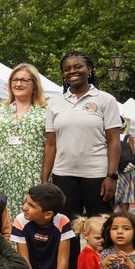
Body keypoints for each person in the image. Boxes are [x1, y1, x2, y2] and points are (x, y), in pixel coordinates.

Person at [42, 51, 121, 220]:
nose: (72, 71)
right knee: (67, 230)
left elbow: (114, 141)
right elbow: (50, 145)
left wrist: (111, 176)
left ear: (89, 69)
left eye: (78, 66)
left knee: (101, 228)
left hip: (97, 176)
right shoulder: (55, 104)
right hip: (63, 175)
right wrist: (45, 180)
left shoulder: (105, 100)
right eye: (67, 69)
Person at [0, 62, 47, 219]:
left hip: (34, 173)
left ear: (34, 84)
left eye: (24, 80)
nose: (18, 83)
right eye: (14, 80)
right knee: (4, 215)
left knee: (33, 213)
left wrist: (45, 177)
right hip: (3, 174)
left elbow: (52, 144)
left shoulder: (46, 110)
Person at [10, 183, 75, 269]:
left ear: (48, 214)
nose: (24, 207)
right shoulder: (20, 220)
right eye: (26, 201)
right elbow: (24, 259)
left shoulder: (62, 221)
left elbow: (63, 261)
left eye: (32, 205)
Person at [116, 128, 135, 211]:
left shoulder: (108, 136)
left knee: (116, 194)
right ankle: (124, 215)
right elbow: (133, 152)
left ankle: (109, 215)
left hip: (114, 169)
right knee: (126, 195)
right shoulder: (128, 137)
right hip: (127, 169)